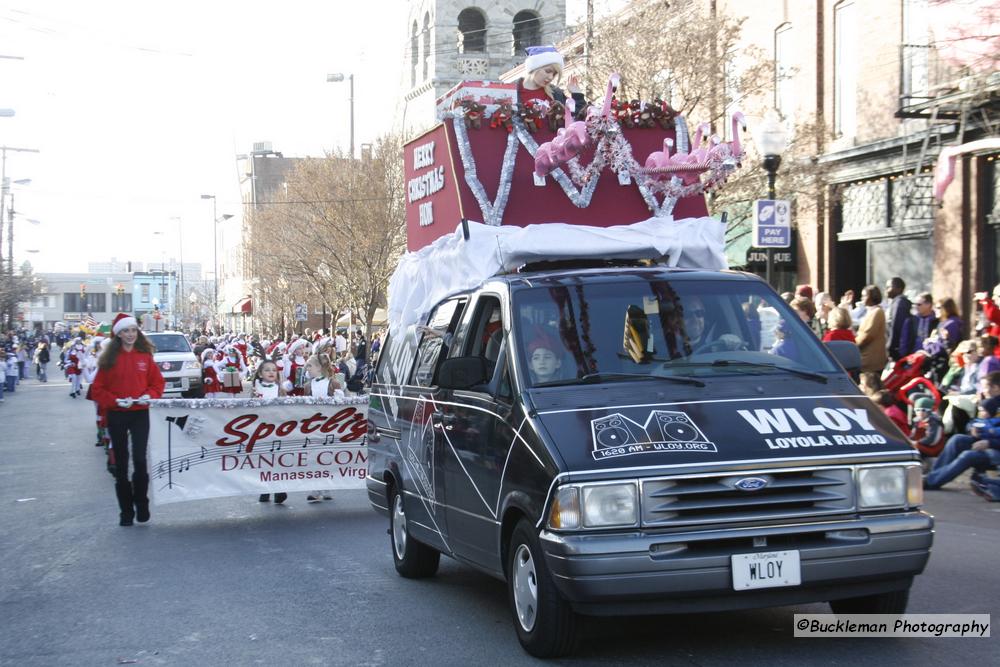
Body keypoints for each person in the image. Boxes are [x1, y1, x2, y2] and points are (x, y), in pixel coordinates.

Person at [89, 313, 165, 526]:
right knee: (121, 463)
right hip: (117, 414)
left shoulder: (144, 356)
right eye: (125, 331)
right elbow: (97, 389)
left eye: (133, 330)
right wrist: (114, 401)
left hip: (140, 412)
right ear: (118, 334)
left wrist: (149, 395)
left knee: (140, 460)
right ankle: (125, 511)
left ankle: (142, 503)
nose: (130, 334)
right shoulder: (109, 359)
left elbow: (157, 383)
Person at [250, 360, 288, 505]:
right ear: (260, 373)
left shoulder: (280, 388)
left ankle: (279, 490)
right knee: (265, 460)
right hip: (261, 428)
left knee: (277, 460)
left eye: (274, 370)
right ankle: (264, 489)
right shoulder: (256, 388)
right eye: (267, 370)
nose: (271, 372)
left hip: (277, 427)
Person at [517, 45, 585, 113]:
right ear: (534, 68)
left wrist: (577, 94)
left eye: (554, 74)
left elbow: (577, 117)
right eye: (548, 71)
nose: (551, 77)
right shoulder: (512, 92)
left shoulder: (556, 94)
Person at [855, 284, 887, 393]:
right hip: (865, 357)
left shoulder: (877, 312)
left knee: (871, 388)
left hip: (872, 359)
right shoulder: (870, 311)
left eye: (864, 296)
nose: (862, 298)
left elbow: (868, 335)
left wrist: (854, 346)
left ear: (872, 297)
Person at [899, 292, 937, 356]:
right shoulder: (911, 321)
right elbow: (904, 342)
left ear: (928, 304)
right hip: (913, 358)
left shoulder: (936, 321)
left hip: (930, 358)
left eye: (919, 304)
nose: (916, 307)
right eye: (915, 304)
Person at [884, 277, 912, 362]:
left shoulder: (899, 303)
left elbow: (895, 326)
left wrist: (890, 347)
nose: (886, 290)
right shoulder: (895, 302)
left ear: (898, 289)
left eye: (889, 287)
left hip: (897, 349)